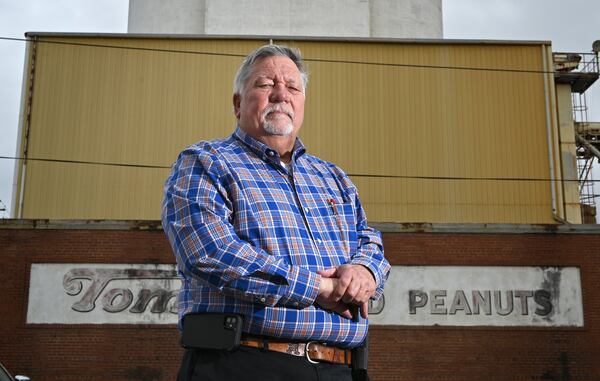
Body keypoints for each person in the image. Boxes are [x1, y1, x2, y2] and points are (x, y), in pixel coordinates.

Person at [162, 44, 390, 381]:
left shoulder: (334, 177)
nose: (281, 94)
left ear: (301, 104)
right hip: (244, 365)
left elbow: (369, 240)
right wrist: (318, 289)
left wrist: (365, 272)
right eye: (265, 84)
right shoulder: (205, 163)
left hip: (342, 368)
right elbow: (212, 253)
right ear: (238, 103)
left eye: (293, 87)